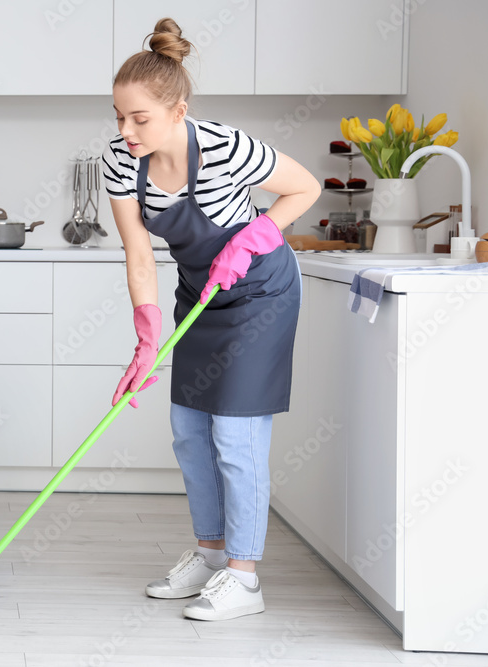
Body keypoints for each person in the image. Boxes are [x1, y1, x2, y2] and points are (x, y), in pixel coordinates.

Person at [101, 18, 320, 622]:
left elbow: (305, 187)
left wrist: (253, 238)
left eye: (139, 119)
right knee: (189, 432)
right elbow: (139, 253)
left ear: (178, 111)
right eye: (118, 117)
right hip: (200, 295)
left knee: (235, 437)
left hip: (260, 295)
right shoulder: (121, 163)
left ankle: (244, 578)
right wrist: (147, 336)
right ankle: (210, 553)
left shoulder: (225, 146)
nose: (126, 131)